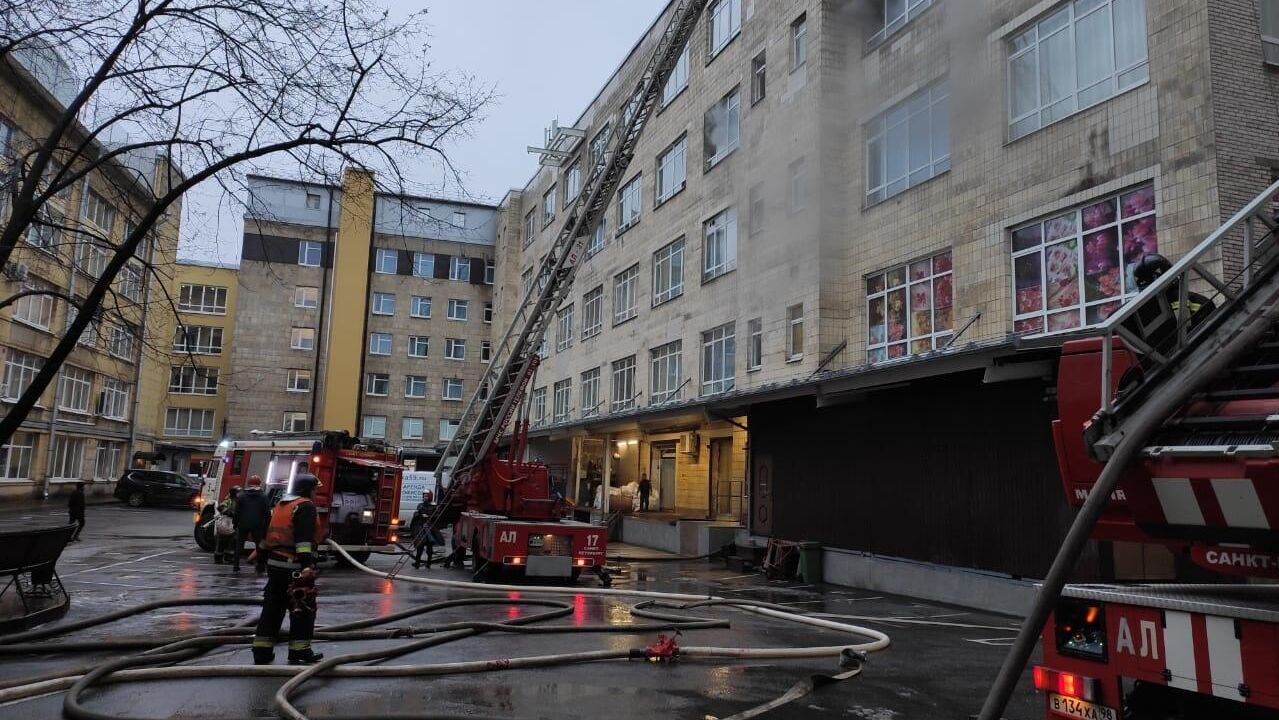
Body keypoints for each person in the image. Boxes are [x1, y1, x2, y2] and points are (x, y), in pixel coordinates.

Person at [251, 474, 323, 666]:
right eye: (315, 489)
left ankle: (261, 651)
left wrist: (260, 558)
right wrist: (307, 566)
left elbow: (268, 537)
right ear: (307, 489)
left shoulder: (282, 505)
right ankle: (300, 652)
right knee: (303, 608)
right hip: (294, 569)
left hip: (275, 566)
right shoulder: (305, 506)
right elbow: (303, 541)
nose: (316, 493)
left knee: (272, 609)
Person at [234, 475, 270, 573]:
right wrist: (267, 526)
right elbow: (267, 513)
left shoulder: (241, 496)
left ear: (248, 484)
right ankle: (260, 565)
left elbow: (237, 512)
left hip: (243, 523)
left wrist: (235, 523)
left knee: (239, 545)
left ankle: (236, 565)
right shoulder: (263, 496)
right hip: (258, 524)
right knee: (259, 545)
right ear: (259, 483)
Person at [410, 490, 445, 569]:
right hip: (421, 527)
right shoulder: (420, 505)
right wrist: (420, 515)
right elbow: (417, 514)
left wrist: (429, 516)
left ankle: (428, 563)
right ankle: (417, 562)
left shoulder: (434, 506)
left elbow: (437, 516)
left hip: (430, 528)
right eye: (424, 496)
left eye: (426, 496)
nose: (425, 498)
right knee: (420, 545)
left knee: (429, 546)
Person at [214, 486, 240, 564]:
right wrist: (229, 512)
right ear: (234, 493)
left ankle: (229, 557)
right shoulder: (229, 500)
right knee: (222, 541)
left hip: (233, 523)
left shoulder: (238, 501)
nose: (239, 494)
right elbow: (220, 507)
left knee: (232, 541)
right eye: (238, 492)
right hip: (226, 523)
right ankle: (218, 558)